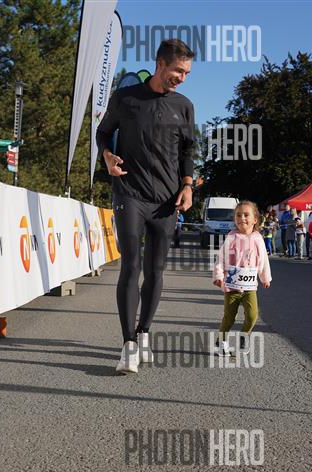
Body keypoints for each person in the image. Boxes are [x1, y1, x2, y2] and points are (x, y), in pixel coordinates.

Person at [96, 39, 196, 374]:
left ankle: (144, 333)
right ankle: (127, 345)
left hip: (167, 201)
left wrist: (187, 186)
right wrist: (107, 156)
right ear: (160, 64)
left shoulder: (184, 106)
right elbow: (103, 132)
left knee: (155, 270)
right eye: (177, 70)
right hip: (129, 193)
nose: (181, 78)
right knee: (131, 265)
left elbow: (188, 151)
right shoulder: (126, 98)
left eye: (186, 73)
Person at [213, 201, 272, 355]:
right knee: (229, 317)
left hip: (250, 287)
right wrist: (219, 275)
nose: (242, 218)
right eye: (238, 215)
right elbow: (221, 258)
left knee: (252, 316)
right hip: (232, 285)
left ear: (255, 219)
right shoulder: (231, 237)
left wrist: (265, 277)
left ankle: (244, 337)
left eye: (246, 215)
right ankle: (221, 342)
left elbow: (263, 259)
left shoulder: (258, 238)